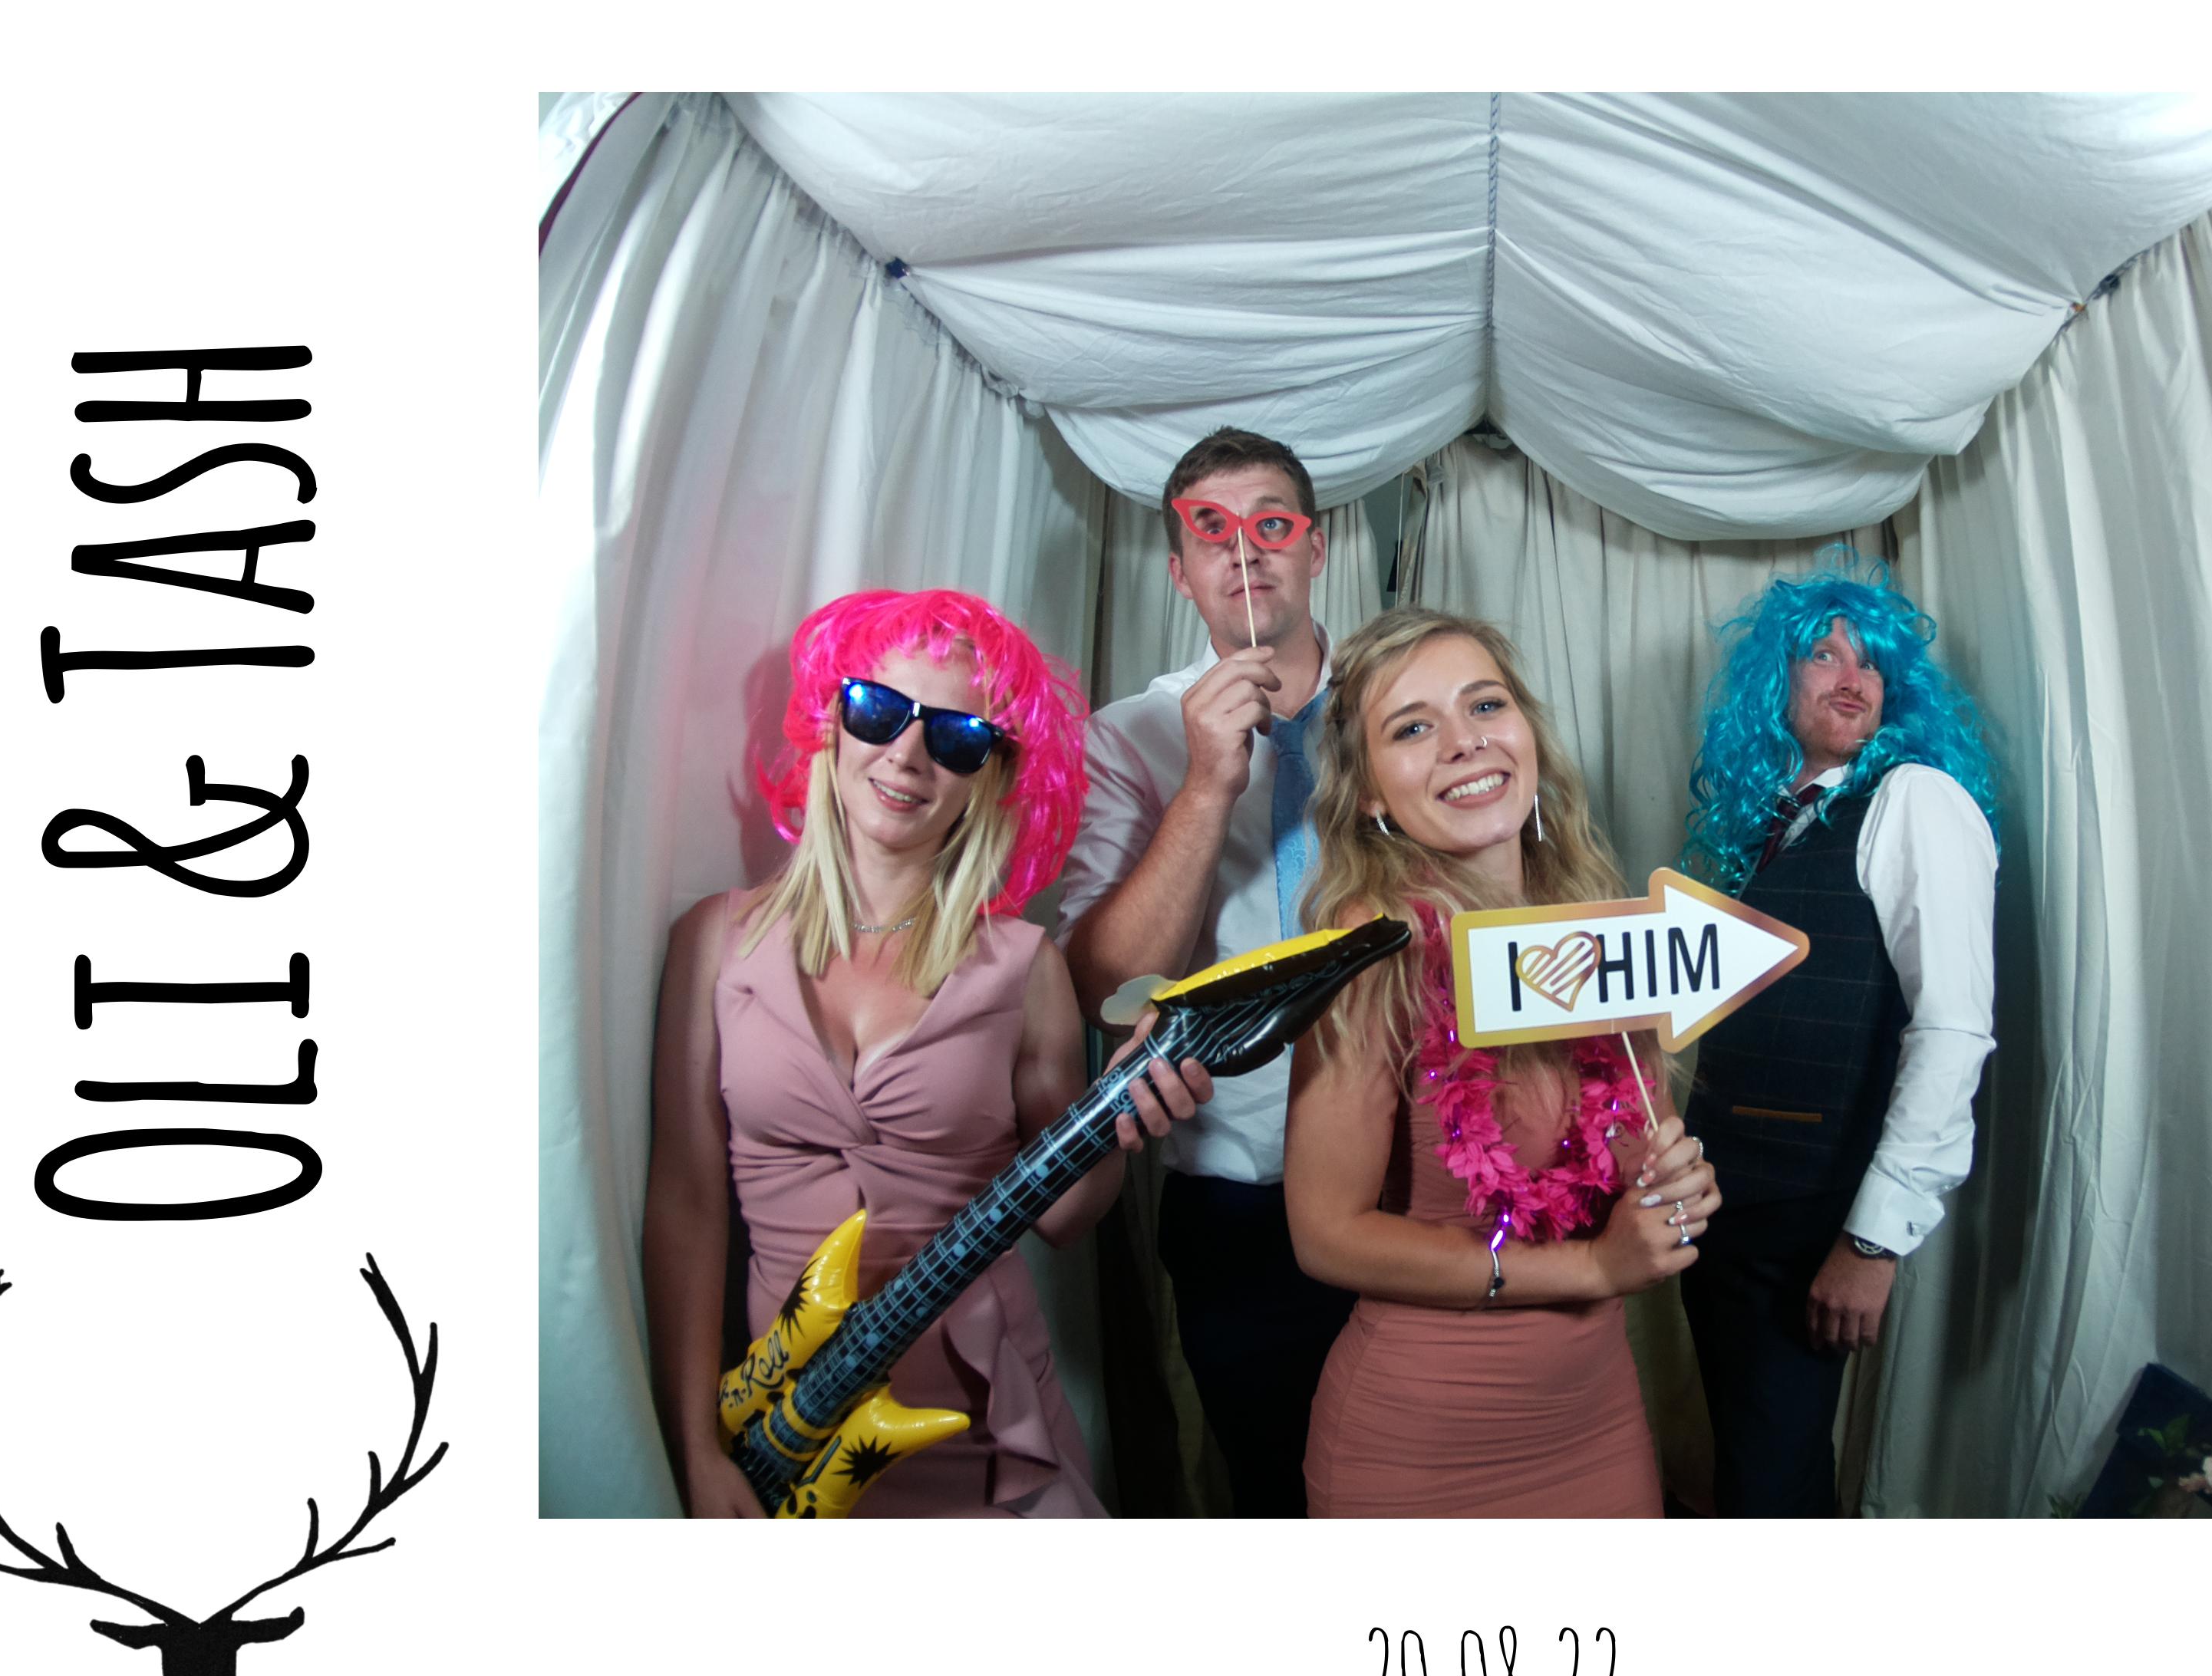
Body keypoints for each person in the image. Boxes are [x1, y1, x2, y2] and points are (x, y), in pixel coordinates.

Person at [643, 588, 1211, 1519]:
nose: (907, 755)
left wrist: (1116, 1124)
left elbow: (1063, 1218)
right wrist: (694, 1447)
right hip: (790, 1434)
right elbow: (686, 1203)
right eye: (878, 711)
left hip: (988, 1426)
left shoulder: (1025, 967)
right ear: (830, 721)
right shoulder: (714, 941)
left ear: (990, 774)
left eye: (955, 737)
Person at [1282, 608, 1719, 1516]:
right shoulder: (1369, 953)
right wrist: (1593, 1271)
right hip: (1420, 1447)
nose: (1464, 742)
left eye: (1485, 705)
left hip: (1597, 1419)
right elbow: (1324, 1234)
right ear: (1369, 794)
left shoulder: (1596, 934)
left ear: (1527, 732)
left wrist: (1672, 1188)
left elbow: (1632, 1157)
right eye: (1412, 728)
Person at [1051, 427, 1350, 1517]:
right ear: (1179, 572)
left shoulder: (1412, 705)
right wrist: (1207, 789)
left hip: (1422, 1170)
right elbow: (1107, 988)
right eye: (1211, 532)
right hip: (1239, 1194)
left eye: (1271, 523)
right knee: (1280, 1491)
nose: (1244, 551)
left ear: (1315, 548)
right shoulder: (1130, 735)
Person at [1678, 554, 1999, 1517]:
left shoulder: (1914, 798)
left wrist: (1873, 1242)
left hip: (1811, 1214)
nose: (1853, 677)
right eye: (1824, 655)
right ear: (1775, 681)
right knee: (1757, 1468)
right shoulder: (1773, 823)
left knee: (1770, 1488)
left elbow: (1953, 1029)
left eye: (1872, 662)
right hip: (1728, 1207)